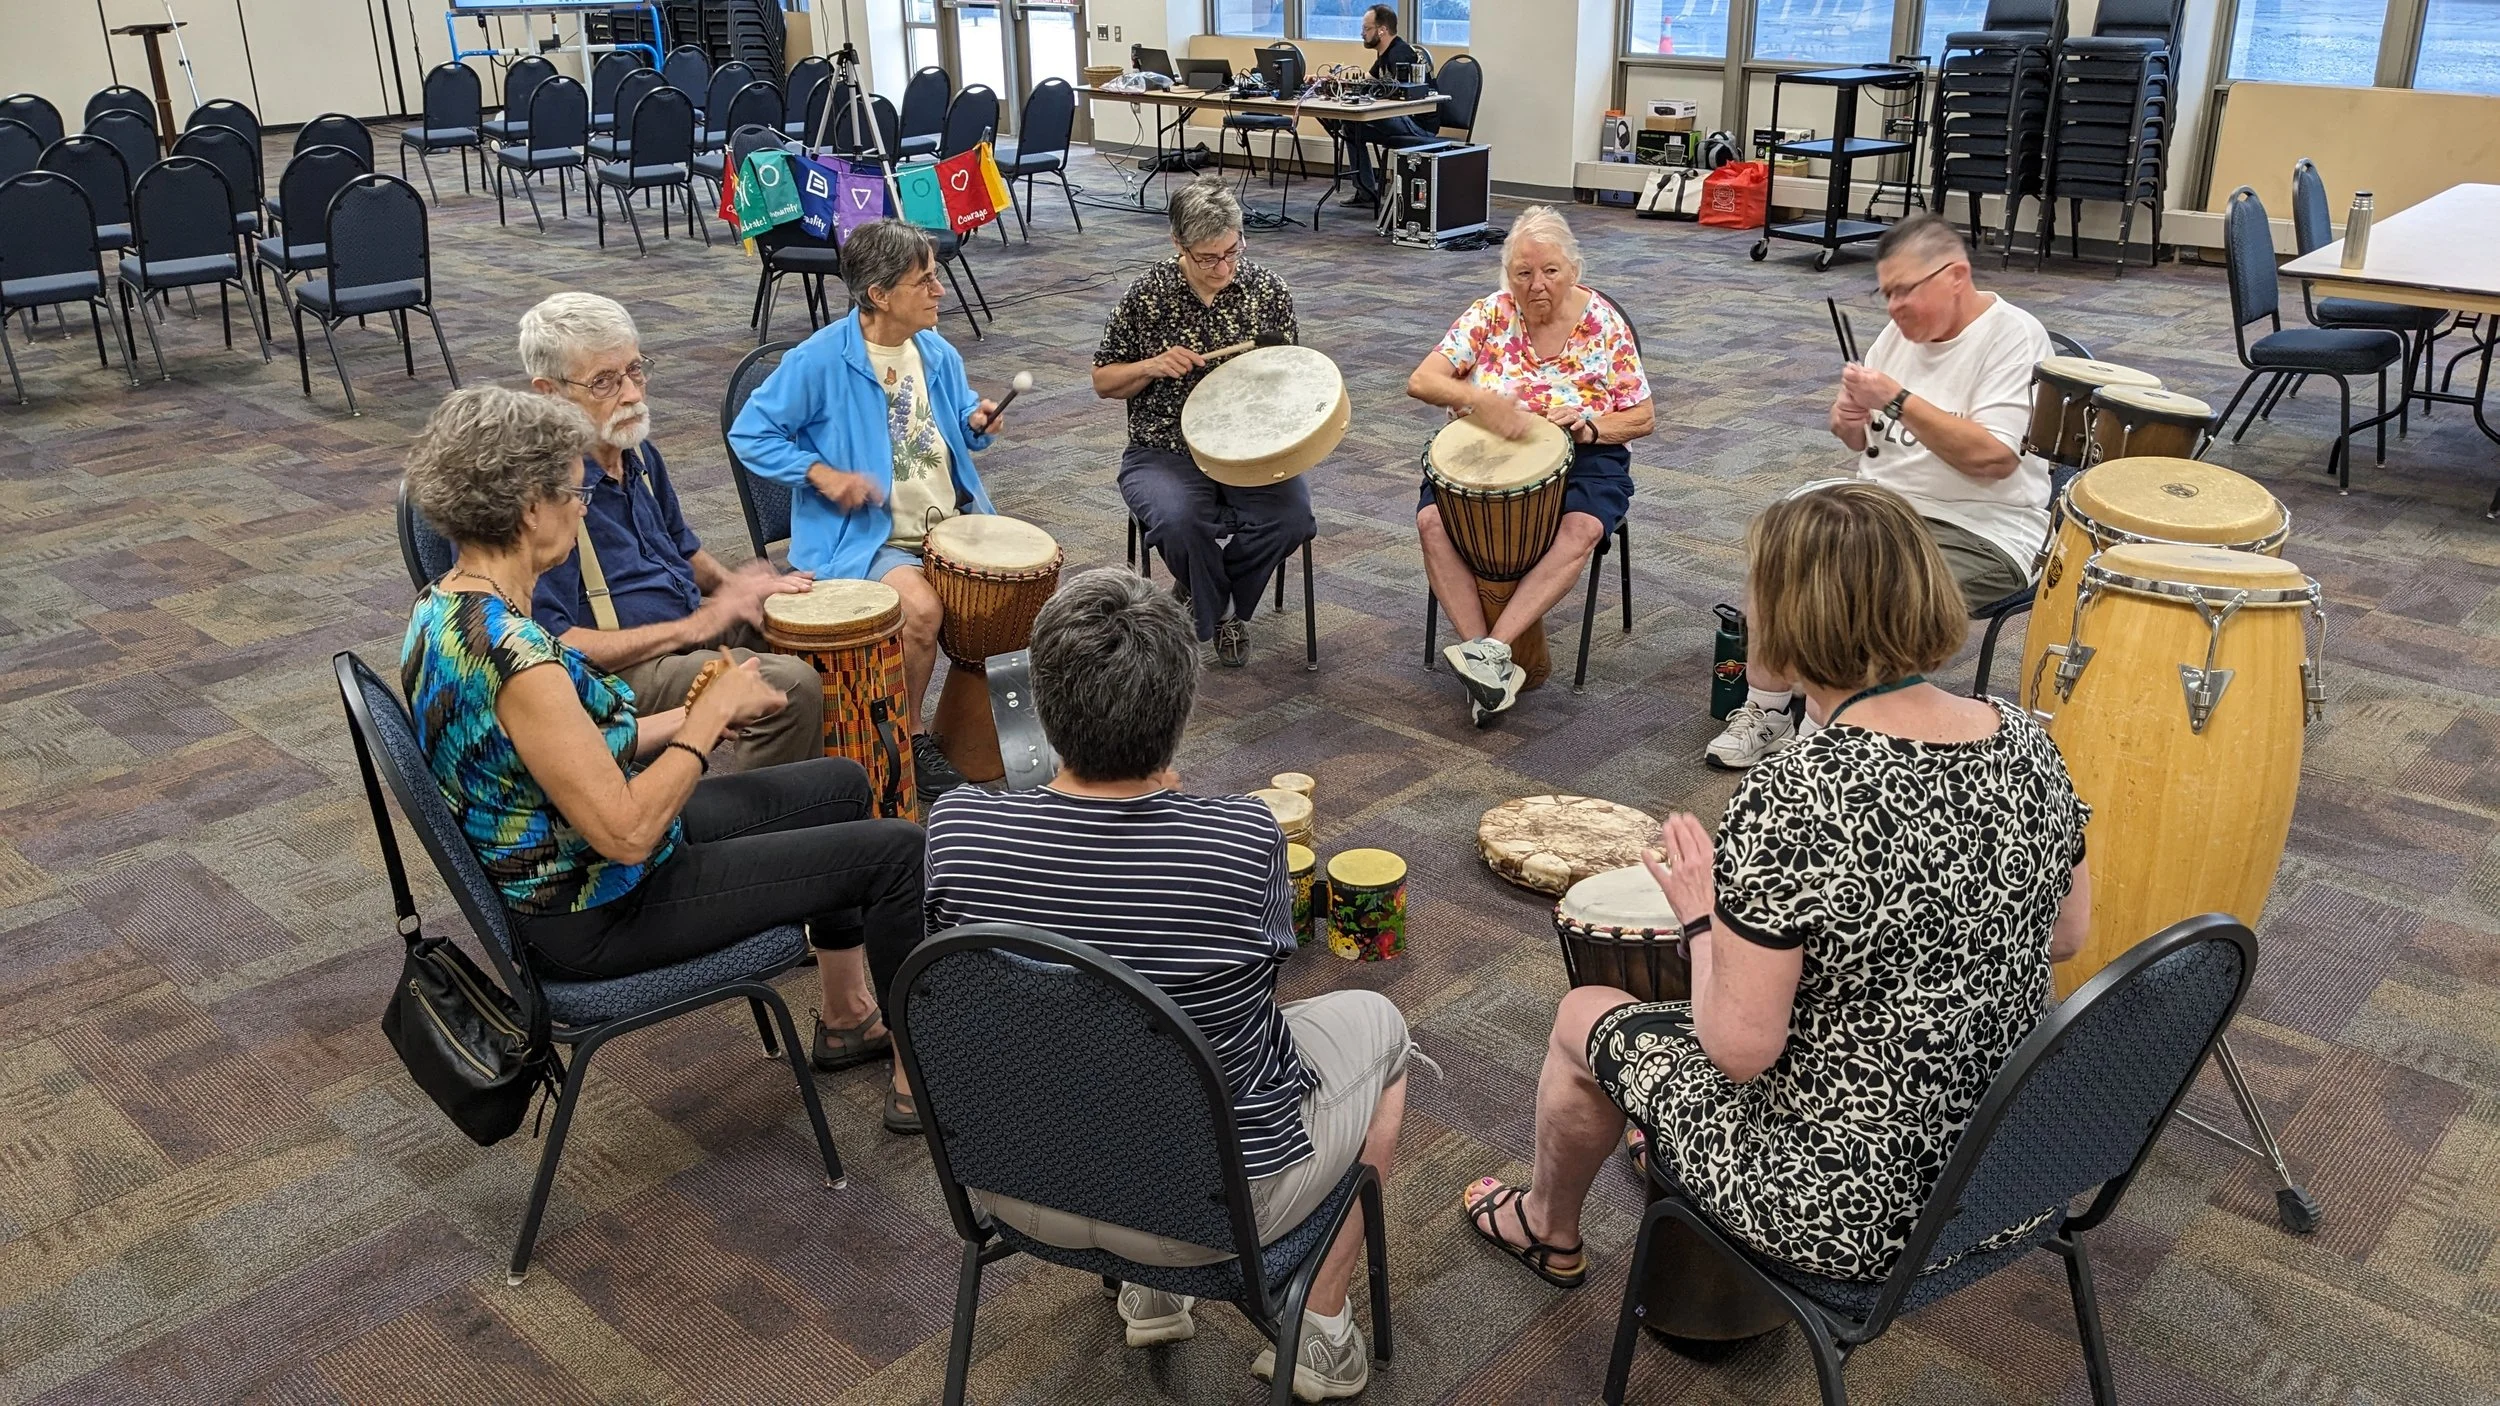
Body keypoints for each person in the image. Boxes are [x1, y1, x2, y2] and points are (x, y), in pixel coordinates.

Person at [1460, 481, 2091, 1293]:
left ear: (1794, 619)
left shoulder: (1797, 793)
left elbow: (1740, 1050)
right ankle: (1664, 1137)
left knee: (1586, 1015)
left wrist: (1699, 914)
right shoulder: (2025, 743)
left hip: (1843, 1211)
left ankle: (1546, 1228)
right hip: (2006, 1169)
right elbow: (2068, 935)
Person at [925, 568, 1414, 1401]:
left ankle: (1149, 1295)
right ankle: (1321, 1325)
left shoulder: (959, 827)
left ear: (1043, 703)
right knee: (1381, 1026)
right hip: (1209, 1217)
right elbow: (1257, 996)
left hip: (1012, 1183)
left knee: (1080, 1022)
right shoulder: (1239, 839)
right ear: (1180, 712)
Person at [400, 386, 928, 1125]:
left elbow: (561, 753)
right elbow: (627, 831)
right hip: (598, 912)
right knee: (898, 851)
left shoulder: (447, 607)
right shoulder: (520, 660)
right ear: (528, 509)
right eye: (572, 493)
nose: (583, 506)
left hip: (573, 871)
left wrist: (696, 711)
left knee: (839, 784)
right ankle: (925, 1074)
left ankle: (845, 1020)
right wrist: (700, 728)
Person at [1708, 212, 2055, 770]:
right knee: (1781, 546)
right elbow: (1861, 439)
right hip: (1884, 506)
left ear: (1956, 276)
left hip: (1985, 524)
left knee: (1863, 598)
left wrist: (1895, 399)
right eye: (1885, 293)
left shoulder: (2014, 336)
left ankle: (1829, 739)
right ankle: (1768, 709)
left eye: (1904, 292)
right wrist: (1848, 418)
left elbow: (1992, 457)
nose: (1893, 309)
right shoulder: (1900, 334)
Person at [727, 219, 1011, 796]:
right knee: (924, 613)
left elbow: (955, 427)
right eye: (925, 280)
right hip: (865, 539)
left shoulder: (936, 351)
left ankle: (975, 736)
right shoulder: (820, 359)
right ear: (879, 295)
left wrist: (976, 425)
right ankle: (903, 738)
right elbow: (750, 432)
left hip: (946, 524)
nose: (940, 290)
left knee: (1012, 599)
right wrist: (820, 473)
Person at [515, 292, 822, 774]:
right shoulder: (543, 497)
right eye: (604, 382)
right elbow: (556, 648)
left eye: (635, 370)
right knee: (788, 684)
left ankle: (825, 794)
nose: (633, 393)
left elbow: (683, 549)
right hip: (612, 670)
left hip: (677, 627)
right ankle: (745, 828)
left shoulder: (636, 453)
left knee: (808, 628)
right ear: (549, 392)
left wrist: (738, 590)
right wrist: (695, 626)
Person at [1408, 205, 1654, 725]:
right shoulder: (1491, 313)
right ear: (1508, 275)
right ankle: (1485, 657)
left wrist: (1589, 425)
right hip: (1489, 451)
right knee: (1432, 521)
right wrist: (1480, 398)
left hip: (1585, 451)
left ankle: (1490, 652)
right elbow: (1422, 381)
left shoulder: (1603, 323)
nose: (1536, 284)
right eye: (1523, 272)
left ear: (1574, 270)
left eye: (1550, 271)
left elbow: (1643, 416)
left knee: (1583, 527)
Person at [1094, 178, 1310, 668]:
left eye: (1232, 252)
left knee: (1292, 520)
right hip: (1164, 448)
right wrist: (1150, 366)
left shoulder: (1267, 290)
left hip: (1250, 446)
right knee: (1179, 522)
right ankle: (1223, 613)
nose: (1224, 268)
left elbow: (1295, 376)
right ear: (1178, 245)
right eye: (1208, 258)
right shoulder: (1147, 296)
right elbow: (1103, 380)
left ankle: (1207, 597)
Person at [1334, 5, 1432, 209]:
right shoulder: (1384, 54)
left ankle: (1369, 191)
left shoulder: (1400, 54)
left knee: (1360, 119)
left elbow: (1399, 98)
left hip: (1418, 124)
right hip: (1401, 119)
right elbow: (1366, 81)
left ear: (1382, 30)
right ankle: (1366, 191)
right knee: (1351, 127)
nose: (1362, 34)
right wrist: (1332, 81)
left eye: (1366, 29)